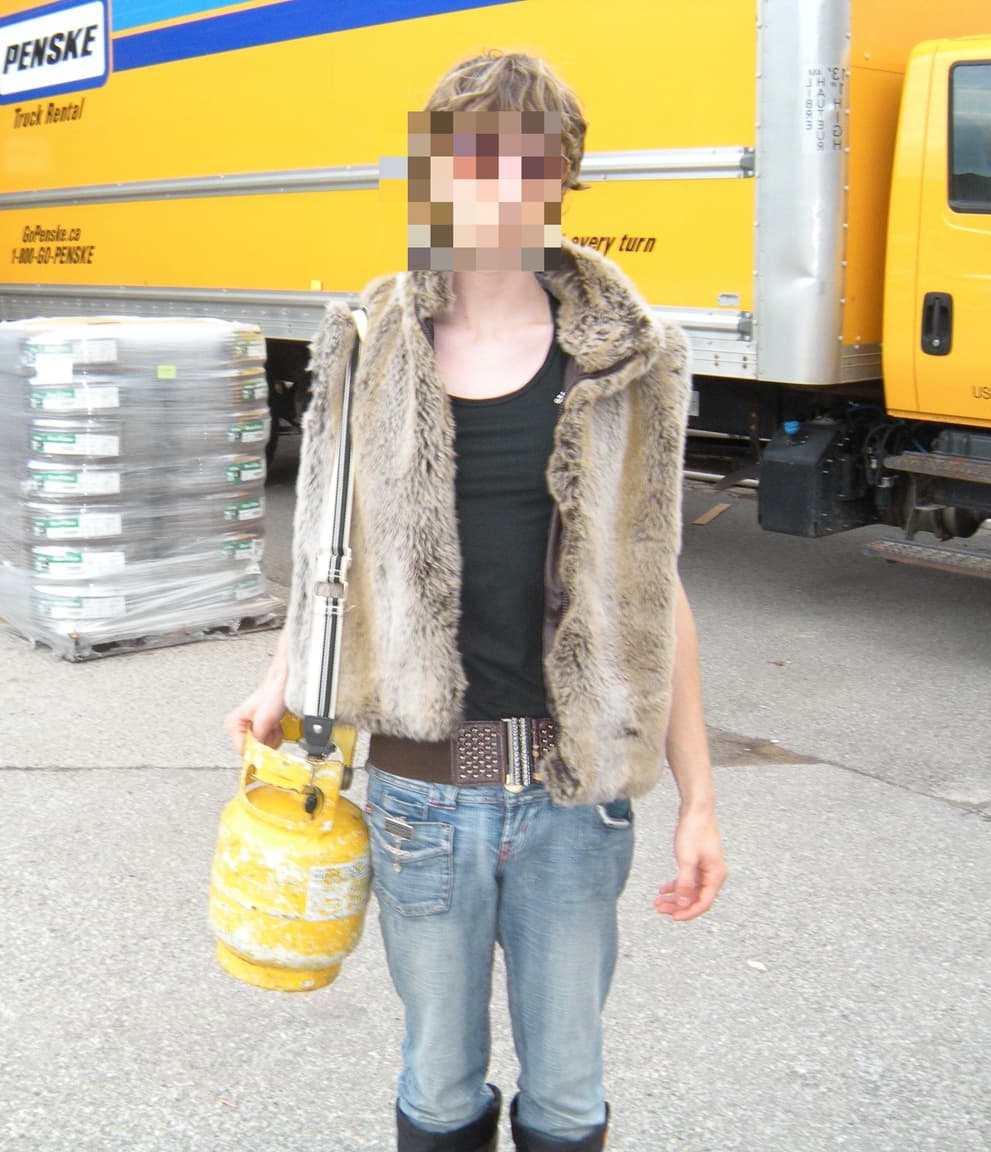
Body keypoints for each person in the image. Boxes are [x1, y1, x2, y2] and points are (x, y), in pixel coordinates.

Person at [225, 51, 726, 1152]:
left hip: (573, 803)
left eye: (520, 159)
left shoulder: (635, 360)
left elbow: (656, 582)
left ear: (562, 175)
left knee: (566, 1094)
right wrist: (277, 682)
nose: (490, 187)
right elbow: (328, 546)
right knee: (439, 1084)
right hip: (419, 797)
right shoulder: (366, 344)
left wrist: (696, 796)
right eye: (465, 156)